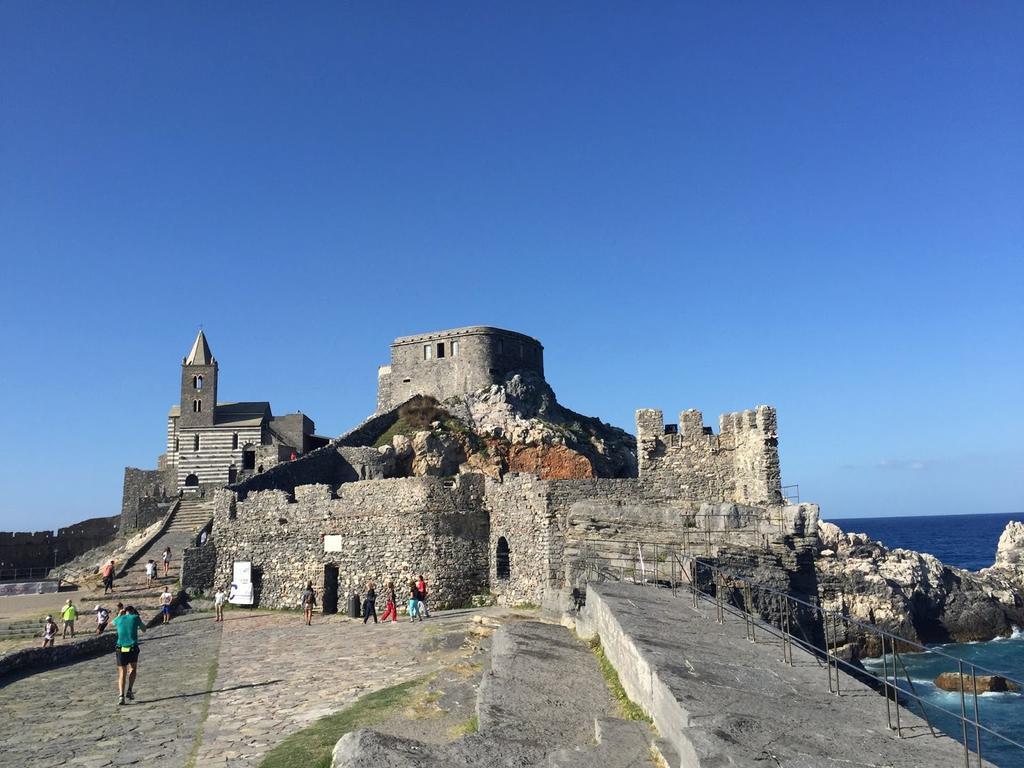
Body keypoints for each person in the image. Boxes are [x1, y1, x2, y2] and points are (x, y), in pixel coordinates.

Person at [113, 605, 145, 705]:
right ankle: (130, 690)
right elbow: (144, 629)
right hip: (132, 647)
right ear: (132, 611)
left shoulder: (119, 619)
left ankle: (121, 696)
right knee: (133, 669)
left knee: (122, 673)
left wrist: (118, 615)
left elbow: (111, 624)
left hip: (120, 648)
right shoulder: (135, 617)